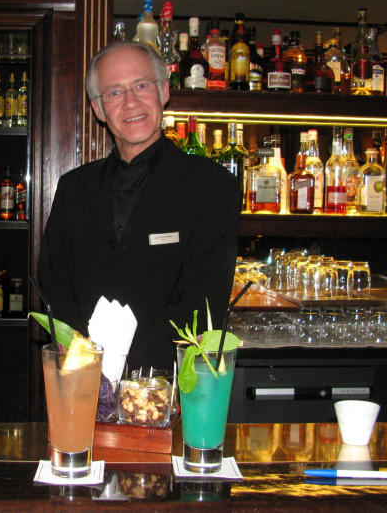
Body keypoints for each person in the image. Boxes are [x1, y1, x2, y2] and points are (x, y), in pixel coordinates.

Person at [37, 41, 241, 370]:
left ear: (163, 91)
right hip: (84, 383)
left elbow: (204, 301)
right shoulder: (73, 188)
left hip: (168, 388)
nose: (131, 102)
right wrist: (89, 371)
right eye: (114, 92)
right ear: (98, 109)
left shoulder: (213, 187)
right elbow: (54, 287)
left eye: (141, 85)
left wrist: (143, 383)